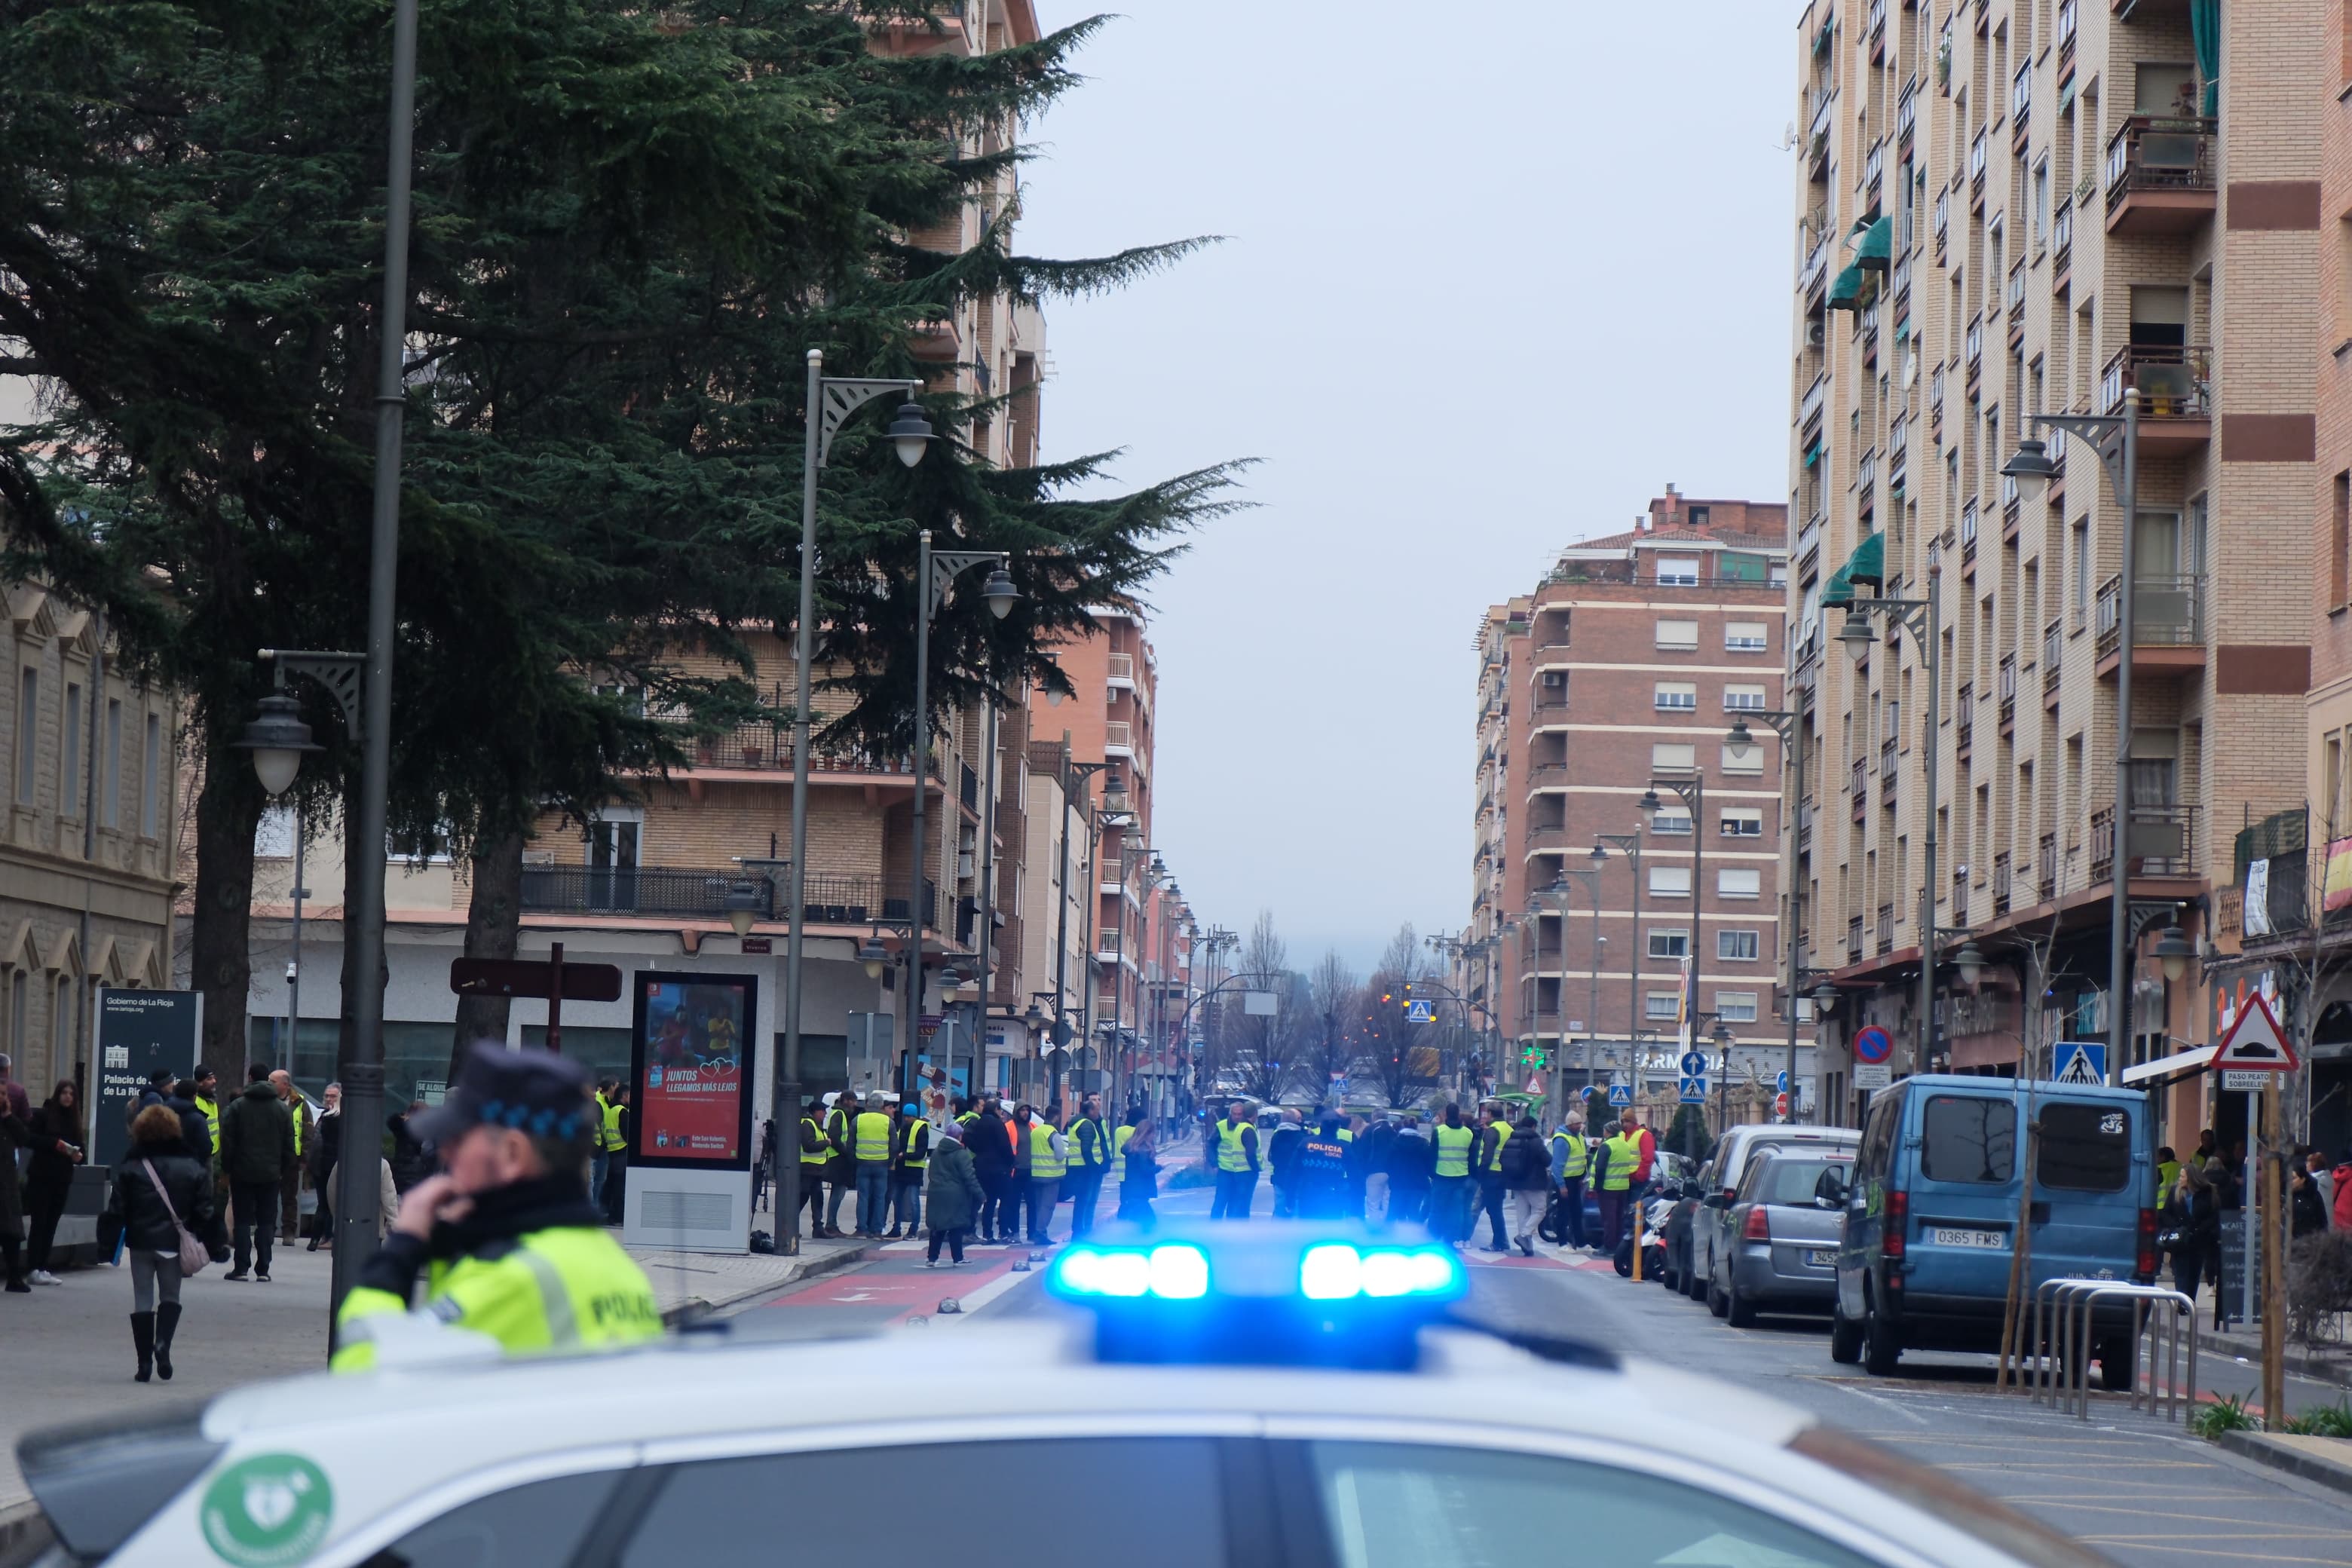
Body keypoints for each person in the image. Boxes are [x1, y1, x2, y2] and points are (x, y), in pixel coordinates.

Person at [332, 1045, 660, 1371]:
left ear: (511, 1155)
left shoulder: (509, 1281)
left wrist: (402, 1249)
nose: (447, 1154)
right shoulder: (619, 1271)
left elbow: (364, 1376)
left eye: (459, 1140)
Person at [101, 1103, 223, 1380]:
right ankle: (163, 1344)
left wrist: (106, 1243)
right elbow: (204, 1210)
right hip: (173, 1242)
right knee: (171, 1295)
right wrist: (215, 1243)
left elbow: (117, 1209)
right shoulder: (192, 1167)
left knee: (142, 1298)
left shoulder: (132, 1166)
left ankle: (143, 1364)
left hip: (141, 1241)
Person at [219, 1063, 295, 1282]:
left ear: (250, 1078)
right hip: (271, 1173)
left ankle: (241, 1268)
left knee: (242, 1220)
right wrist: (282, 1168)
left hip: (242, 1172)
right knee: (266, 1221)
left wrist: (227, 1168)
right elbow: (289, 1143)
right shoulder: (282, 1109)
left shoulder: (238, 1107)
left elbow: (228, 1141)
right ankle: (263, 1269)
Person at [23, 1081, 87, 1285]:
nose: (67, 1097)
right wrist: (55, 1144)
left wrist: (78, 1156)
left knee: (52, 1222)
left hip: (62, 1178)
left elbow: (81, 1150)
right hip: (41, 1176)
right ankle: (33, 1267)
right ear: (57, 1094)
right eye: (64, 1093)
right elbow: (29, 1139)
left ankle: (43, 1266)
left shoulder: (74, 1121)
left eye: (71, 1094)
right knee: (39, 1222)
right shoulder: (44, 1115)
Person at [923, 1119, 985, 1266]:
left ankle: (932, 1258)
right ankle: (958, 1257)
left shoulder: (937, 1152)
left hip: (936, 1192)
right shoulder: (961, 1154)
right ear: (960, 1136)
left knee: (938, 1226)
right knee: (956, 1226)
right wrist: (980, 1194)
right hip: (955, 1195)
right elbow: (969, 1176)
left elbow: (932, 1172)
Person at [2167, 1162, 2220, 1306]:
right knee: (2181, 1272)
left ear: (2191, 1178)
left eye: (2182, 1176)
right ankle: (2181, 1302)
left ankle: (2190, 1301)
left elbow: (2214, 1215)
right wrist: (2176, 1227)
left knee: (2194, 1272)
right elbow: (2166, 1214)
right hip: (2180, 1240)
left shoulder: (2208, 1192)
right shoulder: (2174, 1191)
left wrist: (2200, 1229)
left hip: (2199, 1239)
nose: (2179, 1179)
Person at [270, 1069, 312, 1243]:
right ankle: (268, 1229)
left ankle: (289, 1231)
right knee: (269, 1196)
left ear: (285, 1084)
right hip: (270, 1156)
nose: (269, 1084)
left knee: (289, 1197)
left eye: (273, 1081)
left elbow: (308, 1131)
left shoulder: (300, 1103)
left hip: (291, 1158)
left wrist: (304, 1157)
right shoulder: (267, 1101)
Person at [0, 1083, 35, 1292]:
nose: (1, 1097)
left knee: (11, 1233)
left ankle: (14, 1278)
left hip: (7, 1183)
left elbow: (25, 1138)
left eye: (4, 1093)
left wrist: (8, 1116)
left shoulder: (9, 1121)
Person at [1500, 1114, 1551, 1257]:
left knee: (1522, 1214)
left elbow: (1503, 1158)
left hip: (1516, 1181)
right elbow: (1547, 1160)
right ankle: (1524, 1235)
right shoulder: (1536, 1141)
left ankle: (1528, 1247)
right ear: (1533, 1127)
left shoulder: (1512, 1138)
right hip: (1534, 1182)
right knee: (1540, 1210)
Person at [969, 1094, 1016, 1242]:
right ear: (996, 1109)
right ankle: (1003, 1231)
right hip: (999, 1168)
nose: (1001, 1113)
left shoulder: (979, 1123)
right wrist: (1010, 1162)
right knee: (1006, 1199)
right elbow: (1004, 1146)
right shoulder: (997, 1124)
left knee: (989, 1202)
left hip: (983, 1167)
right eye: (1000, 1110)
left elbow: (972, 1141)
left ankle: (987, 1233)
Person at [1429, 1104, 1476, 1245]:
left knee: (1437, 1209)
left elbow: (1432, 1155)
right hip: (1461, 1178)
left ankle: (1434, 1236)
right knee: (1456, 1211)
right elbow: (1472, 1158)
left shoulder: (1439, 1131)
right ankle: (1452, 1239)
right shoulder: (1468, 1133)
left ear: (1446, 1115)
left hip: (1441, 1176)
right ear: (1458, 1114)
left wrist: (1432, 1174)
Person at [1066, 1096, 1113, 1236]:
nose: (1098, 1113)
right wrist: (1095, 1167)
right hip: (1085, 1169)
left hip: (1079, 1167)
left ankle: (1081, 1229)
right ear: (1091, 1110)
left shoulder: (1079, 1122)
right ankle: (1082, 1231)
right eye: (1096, 1110)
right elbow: (1086, 1149)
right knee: (1085, 1200)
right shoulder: (1086, 1125)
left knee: (1083, 1200)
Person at [850, 1095, 896, 1238]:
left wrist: (854, 1161)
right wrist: (889, 1161)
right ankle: (877, 1229)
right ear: (882, 1106)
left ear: (868, 1104)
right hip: (881, 1164)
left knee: (863, 1196)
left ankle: (861, 1228)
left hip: (862, 1163)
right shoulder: (888, 1122)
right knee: (880, 1197)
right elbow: (895, 1146)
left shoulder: (858, 1120)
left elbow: (850, 1144)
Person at [1294, 1108, 1352, 1220]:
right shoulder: (1344, 1147)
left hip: (1308, 1195)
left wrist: (1290, 1198)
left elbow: (1294, 1171)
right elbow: (1355, 1175)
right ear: (1338, 1127)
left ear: (1320, 1125)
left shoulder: (1306, 1143)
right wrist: (1356, 1206)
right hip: (1334, 1195)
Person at [1210, 1101, 1261, 1220]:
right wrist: (1214, 1164)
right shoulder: (1222, 1126)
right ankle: (1213, 1227)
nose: (1237, 1117)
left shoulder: (1246, 1127)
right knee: (1221, 1201)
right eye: (1235, 1114)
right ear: (1230, 1114)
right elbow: (1211, 1144)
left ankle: (1231, 1227)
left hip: (1240, 1171)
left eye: (1240, 1114)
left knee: (1235, 1201)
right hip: (1225, 1170)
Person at [1548, 1110, 1591, 1252]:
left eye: (1581, 1123)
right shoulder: (1562, 1139)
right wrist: (1562, 1186)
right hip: (1565, 1181)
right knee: (1564, 1212)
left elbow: (1582, 1158)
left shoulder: (1578, 1137)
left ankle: (1580, 1243)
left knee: (1577, 1212)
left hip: (1576, 1180)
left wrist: (1582, 1177)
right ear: (1570, 1125)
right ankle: (1562, 1242)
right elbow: (1557, 1165)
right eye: (1578, 1124)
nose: (1580, 1126)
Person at [1594, 1119, 1638, 1254]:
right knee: (1619, 1218)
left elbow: (1600, 1168)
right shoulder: (1625, 1145)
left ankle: (1608, 1246)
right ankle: (1618, 1246)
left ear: (1608, 1132)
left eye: (1605, 1130)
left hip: (1608, 1188)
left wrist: (1597, 1186)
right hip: (1623, 1187)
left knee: (1609, 1219)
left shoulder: (1607, 1146)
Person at [1024, 1104, 1067, 1245]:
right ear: (1057, 1117)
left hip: (1036, 1174)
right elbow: (1060, 1155)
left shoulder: (1036, 1131)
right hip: (1051, 1175)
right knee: (1047, 1206)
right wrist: (1067, 1152)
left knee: (1038, 1205)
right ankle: (1041, 1233)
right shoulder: (1053, 1134)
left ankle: (1037, 1231)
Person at [1472, 1104, 1511, 1253]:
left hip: (1491, 1175)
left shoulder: (1493, 1131)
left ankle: (1498, 1242)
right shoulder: (1509, 1129)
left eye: (1486, 1113)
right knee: (1496, 1210)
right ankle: (1502, 1241)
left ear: (1490, 1114)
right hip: (1504, 1175)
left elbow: (1487, 1156)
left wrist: (1481, 1175)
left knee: (1494, 1211)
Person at [308, 1081, 342, 1251]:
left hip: (331, 1165)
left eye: (333, 1096)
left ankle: (321, 1237)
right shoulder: (326, 1116)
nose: (328, 1099)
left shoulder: (335, 1118)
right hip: (321, 1164)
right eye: (327, 1096)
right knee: (325, 1202)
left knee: (327, 1203)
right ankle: (322, 1237)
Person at [887, 1102, 928, 1239]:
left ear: (914, 1116)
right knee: (897, 1199)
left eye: (908, 1117)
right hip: (902, 1170)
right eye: (905, 1116)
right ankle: (896, 1228)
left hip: (914, 1171)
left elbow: (921, 1152)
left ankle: (913, 1230)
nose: (906, 1119)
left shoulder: (921, 1128)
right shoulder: (902, 1128)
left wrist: (904, 1155)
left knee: (913, 1201)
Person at [794, 1098, 831, 1238]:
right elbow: (809, 1146)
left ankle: (818, 1228)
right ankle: (791, 1225)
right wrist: (826, 1143)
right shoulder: (807, 1124)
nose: (825, 1114)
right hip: (807, 1169)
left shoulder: (816, 1125)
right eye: (823, 1111)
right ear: (815, 1112)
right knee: (802, 1197)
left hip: (816, 1170)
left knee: (817, 1199)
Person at [822, 1093, 858, 1237]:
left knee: (838, 1192)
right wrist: (846, 1152)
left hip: (838, 1157)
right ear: (846, 1101)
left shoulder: (840, 1114)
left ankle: (832, 1223)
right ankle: (831, 1224)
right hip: (839, 1159)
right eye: (853, 1101)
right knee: (838, 1192)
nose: (855, 1105)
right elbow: (835, 1137)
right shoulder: (839, 1114)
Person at [1386, 1113, 1432, 1225]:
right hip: (1418, 1184)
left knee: (1393, 1213)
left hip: (1398, 1183)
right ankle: (1413, 1238)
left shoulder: (1394, 1143)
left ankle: (1388, 1238)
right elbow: (1429, 1164)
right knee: (1413, 1213)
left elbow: (1388, 1163)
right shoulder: (1424, 1144)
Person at [599, 1083, 632, 1227]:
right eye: (630, 1095)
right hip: (622, 1152)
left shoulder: (611, 1111)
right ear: (624, 1096)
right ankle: (617, 1217)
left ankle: (608, 1215)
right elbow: (627, 1134)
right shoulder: (622, 1111)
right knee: (620, 1188)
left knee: (611, 1186)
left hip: (612, 1152)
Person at [1116, 1113, 1159, 1223]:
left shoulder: (1131, 1147)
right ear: (1147, 1133)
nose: (1154, 1136)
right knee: (1149, 1223)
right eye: (1153, 1133)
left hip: (1131, 1189)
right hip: (1140, 1191)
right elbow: (1146, 1170)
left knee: (1135, 1220)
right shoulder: (1143, 1150)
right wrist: (1160, 1167)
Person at [1265, 1107, 1305, 1218]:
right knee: (1295, 1210)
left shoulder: (1276, 1136)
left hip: (1279, 1178)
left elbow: (1271, 1156)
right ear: (1297, 1120)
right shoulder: (1302, 1138)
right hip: (1297, 1179)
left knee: (1279, 1210)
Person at [388, 1100, 435, 1194]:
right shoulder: (418, 1131)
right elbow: (426, 1152)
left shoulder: (403, 1128)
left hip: (400, 1171)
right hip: (414, 1174)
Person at [592, 1079, 624, 1211]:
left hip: (605, 1147)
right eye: (617, 1086)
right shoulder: (598, 1102)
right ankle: (593, 1210)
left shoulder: (609, 1102)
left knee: (600, 1181)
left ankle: (597, 1209)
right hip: (596, 1147)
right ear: (611, 1087)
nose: (618, 1088)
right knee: (594, 1181)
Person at [2292, 1161, 2330, 1238]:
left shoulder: (2314, 1195)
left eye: (2293, 1178)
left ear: (2303, 1179)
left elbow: (2323, 1222)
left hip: (2311, 1242)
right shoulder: (2286, 1195)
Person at [2153, 1146, 2180, 1215]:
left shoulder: (2160, 1169)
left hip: (2161, 1206)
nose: (2156, 1159)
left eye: (2158, 1156)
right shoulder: (2181, 1167)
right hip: (2178, 1203)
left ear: (2163, 1157)